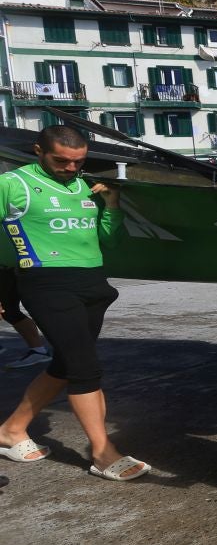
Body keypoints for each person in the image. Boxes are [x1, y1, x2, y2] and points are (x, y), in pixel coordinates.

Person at [0, 126, 146, 479]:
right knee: (84, 368)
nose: (70, 168)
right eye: (61, 160)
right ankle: (103, 453)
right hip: (46, 283)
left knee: (67, 364)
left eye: (78, 161)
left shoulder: (85, 186)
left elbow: (110, 242)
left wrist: (112, 204)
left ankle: (11, 430)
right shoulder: (13, 184)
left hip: (93, 284)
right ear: (38, 151)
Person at [0, 266, 51, 370]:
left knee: (9, 310)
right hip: (9, 268)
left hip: (12, 268)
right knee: (9, 311)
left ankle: (39, 351)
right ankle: (38, 350)